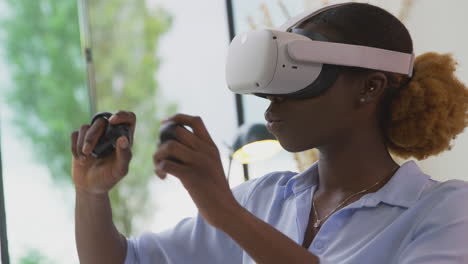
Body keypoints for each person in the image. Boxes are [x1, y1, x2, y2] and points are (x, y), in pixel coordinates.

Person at [71, 3, 468, 264]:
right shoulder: (264, 198)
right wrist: (91, 194)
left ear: (370, 87)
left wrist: (226, 211)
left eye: (299, 74)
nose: (275, 99)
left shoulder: (443, 210)